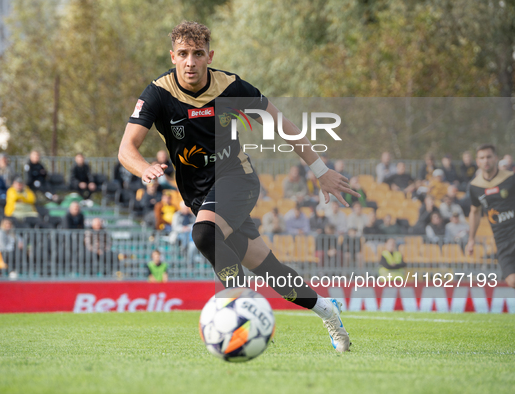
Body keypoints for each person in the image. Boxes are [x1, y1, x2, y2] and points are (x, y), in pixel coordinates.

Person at [118, 21, 356, 352]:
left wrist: (319, 169)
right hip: (201, 196)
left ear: (209, 56)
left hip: (237, 179)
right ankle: (327, 309)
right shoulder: (158, 94)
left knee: (203, 234)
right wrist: (143, 167)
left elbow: (281, 123)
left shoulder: (230, 86)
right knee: (268, 267)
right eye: (183, 54)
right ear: (173, 56)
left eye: (198, 54)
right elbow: (126, 148)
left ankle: (243, 316)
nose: (191, 62)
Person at [466, 144, 515, 289]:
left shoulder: (510, 178)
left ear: (495, 158)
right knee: (512, 280)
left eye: (489, 156)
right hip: (502, 241)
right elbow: (475, 212)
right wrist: (471, 240)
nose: (486, 160)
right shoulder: (474, 186)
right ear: (477, 161)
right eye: (482, 158)